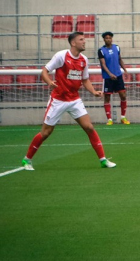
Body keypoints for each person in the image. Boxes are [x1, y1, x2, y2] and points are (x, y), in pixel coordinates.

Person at [21, 32, 116, 170]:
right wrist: (49, 82)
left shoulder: (84, 59)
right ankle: (27, 160)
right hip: (58, 100)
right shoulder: (62, 56)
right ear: (73, 43)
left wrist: (94, 91)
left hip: (74, 99)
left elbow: (85, 79)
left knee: (89, 127)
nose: (85, 42)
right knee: (46, 133)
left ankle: (103, 160)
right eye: (81, 39)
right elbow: (44, 71)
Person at [98, 31, 130, 126]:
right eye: (106, 38)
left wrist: (125, 69)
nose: (108, 39)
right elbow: (103, 64)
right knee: (107, 97)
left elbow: (119, 59)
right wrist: (109, 73)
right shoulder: (101, 51)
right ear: (104, 39)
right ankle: (109, 119)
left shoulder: (117, 47)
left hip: (118, 76)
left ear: (112, 39)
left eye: (110, 38)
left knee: (123, 95)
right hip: (108, 77)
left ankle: (123, 117)